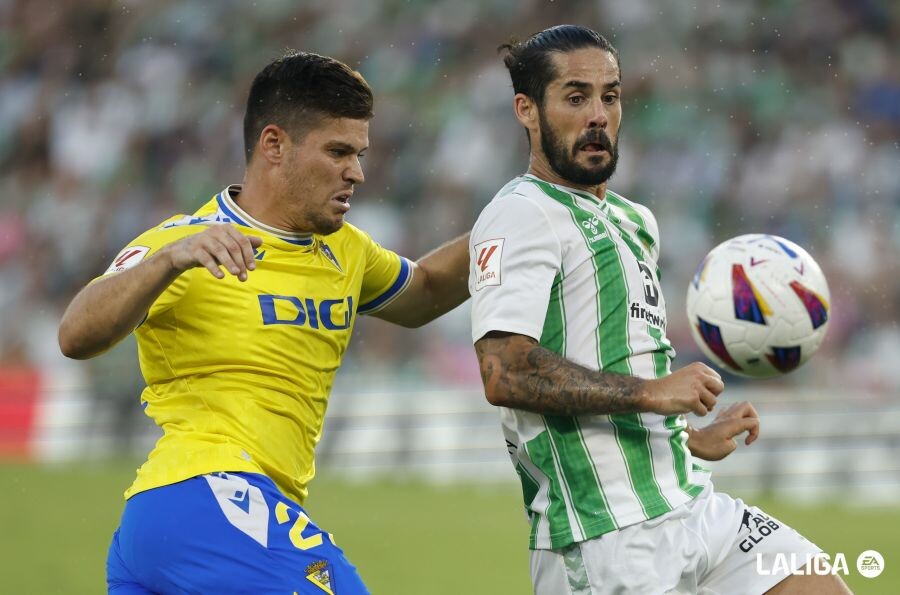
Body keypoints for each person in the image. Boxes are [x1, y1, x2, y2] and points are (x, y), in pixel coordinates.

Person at [58, 50, 469, 594]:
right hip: (202, 494)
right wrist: (168, 261)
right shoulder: (189, 240)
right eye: (338, 151)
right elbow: (75, 334)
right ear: (274, 145)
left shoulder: (346, 252)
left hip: (208, 523)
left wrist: (519, 221)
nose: (358, 172)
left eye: (360, 153)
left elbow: (428, 291)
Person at [469, 25, 851, 594]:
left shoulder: (633, 220)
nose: (598, 114)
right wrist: (652, 395)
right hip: (606, 538)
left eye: (610, 95)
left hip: (692, 505)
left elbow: (622, 363)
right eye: (576, 98)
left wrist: (682, 439)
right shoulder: (521, 214)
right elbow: (504, 371)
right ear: (527, 110)